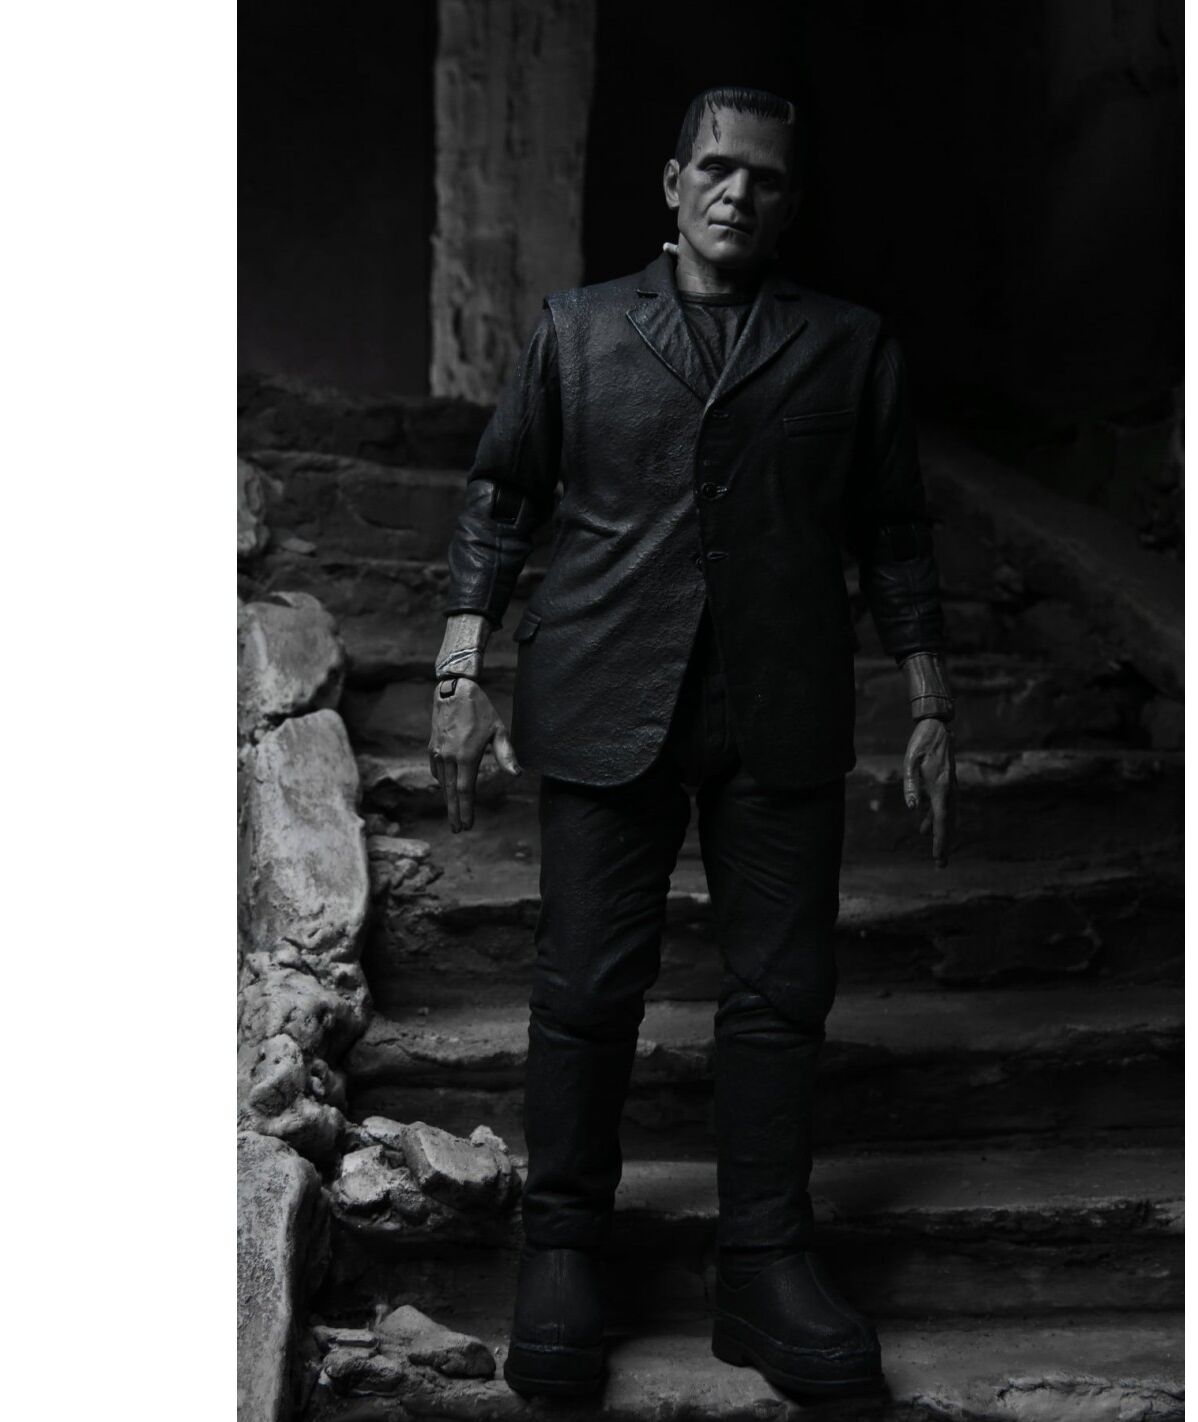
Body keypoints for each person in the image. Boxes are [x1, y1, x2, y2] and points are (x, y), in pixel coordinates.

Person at [428, 85, 957, 1402]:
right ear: (672, 186)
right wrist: (457, 667)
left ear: (790, 203)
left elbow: (893, 530)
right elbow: (499, 498)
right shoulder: (578, 330)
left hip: (781, 708)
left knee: (781, 994)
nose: (738, 192)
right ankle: (562, 1250)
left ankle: (764, 1264)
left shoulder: (848, 345)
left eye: (765, 178)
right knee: (585, 988)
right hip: (604, 694)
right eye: (716, 168)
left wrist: (929, 695)